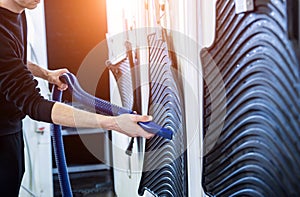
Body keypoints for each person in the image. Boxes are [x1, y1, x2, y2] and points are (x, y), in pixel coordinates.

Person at [0, 0, 154, 196]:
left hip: (11, 130)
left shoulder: (18, 11)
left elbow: (14, 58)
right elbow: (35, 104)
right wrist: (114, 123)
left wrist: (46, 74)